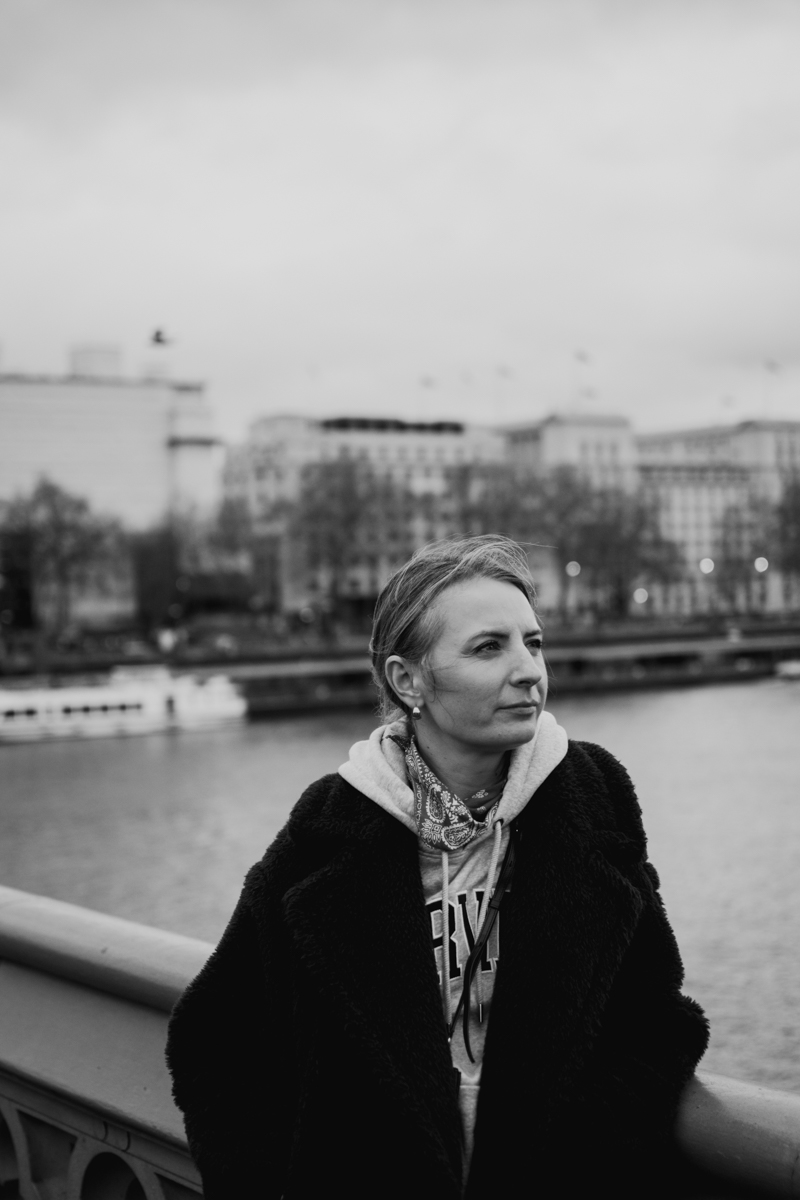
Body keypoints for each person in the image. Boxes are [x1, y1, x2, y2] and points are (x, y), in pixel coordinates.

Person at [166, 534, 709, 1199]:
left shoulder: (592, 795)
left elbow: (655, 1015)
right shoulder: (329, 826)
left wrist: (596, 1156)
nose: (528, 670)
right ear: (407, 680)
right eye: (489, 647)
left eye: (532, 642)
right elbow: (216, 1040)